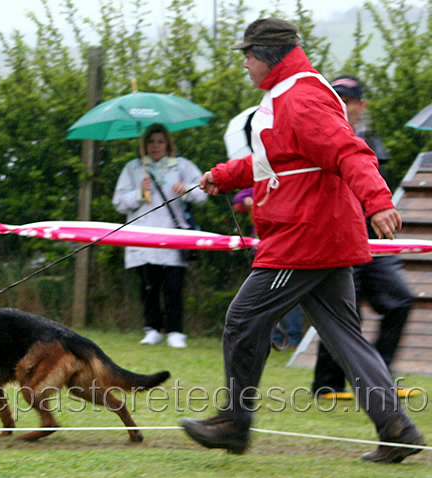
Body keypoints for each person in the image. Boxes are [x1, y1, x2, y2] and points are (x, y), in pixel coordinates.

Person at [181, 18, 425, 463]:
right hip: (320, 232)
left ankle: (234, 422)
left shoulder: (301, 96)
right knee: (345, 338)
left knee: (242, 319)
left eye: (248, 56)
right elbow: (278, 160)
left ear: (267, 56)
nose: (245, 65)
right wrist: (222, 174)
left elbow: (348, 150)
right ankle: (397, 428)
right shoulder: (287, 95)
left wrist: (378, 200)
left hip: (304, 235)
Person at [311, 75, 418, 399]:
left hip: (374, 240)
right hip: (337, 238)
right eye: (336, 98)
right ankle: (327, 385)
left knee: (401, 300)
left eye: (347, 100)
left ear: (361, 105)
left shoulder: (371, 141)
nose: (341, 105)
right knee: (345, 311)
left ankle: (379, 381)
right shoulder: (318, 135)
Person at [112, 123, 207, 349]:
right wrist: (139, 192)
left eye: (160, 141)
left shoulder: (181, 166)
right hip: (142, 236)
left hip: (173, 235)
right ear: (144, 145)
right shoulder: (133, 168)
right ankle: (152, 329)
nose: (156, 146)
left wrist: (187, 190)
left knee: (173, 285)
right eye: (151, 142)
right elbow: (118, 202)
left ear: (168, 144)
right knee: (148, 286)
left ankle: (176, 331)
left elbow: (202, 194)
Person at [232, 187, 304, 349]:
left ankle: (293, 339)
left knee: (289, 298)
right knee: (264, 298)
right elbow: (238, 200)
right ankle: (273, 338)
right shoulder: (261, 185)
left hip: (288, 252)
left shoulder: (291, 188)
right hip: (263, 253)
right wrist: (246, 200)